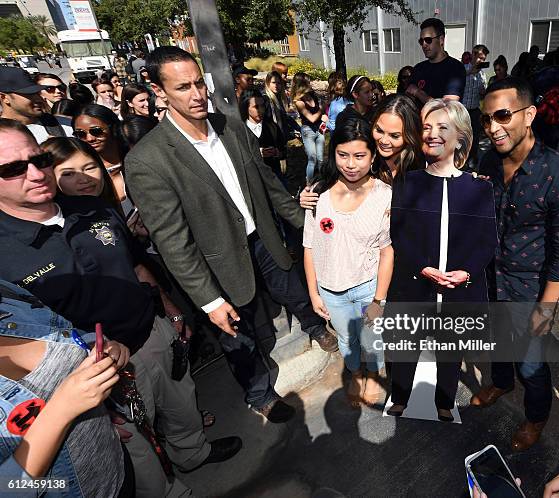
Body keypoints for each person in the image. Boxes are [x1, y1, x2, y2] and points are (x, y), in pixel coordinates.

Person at [0, 119, 242, 497]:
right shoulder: (3, 257)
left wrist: (171, 312)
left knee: (181, 405)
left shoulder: (91, 207)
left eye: (40, 159)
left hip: (155, 333)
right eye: (13, 169)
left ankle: (194, 452)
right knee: (137, 450)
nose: (35, 174)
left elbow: (135, 263)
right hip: (98, 375)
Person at [124, 46, 338, 424]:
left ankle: (317, 328)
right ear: (159, 92)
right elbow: (174, 242)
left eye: (198, 83)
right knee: (238, 337)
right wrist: (208, 301)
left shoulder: (231, 127)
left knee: (296, 292)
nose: (196, 95)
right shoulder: (148, 160)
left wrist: (305, 225)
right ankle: (259, 394)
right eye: (183, 87)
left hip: (265, 242)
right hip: (217, 265)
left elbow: (268, 184)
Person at [472, 77, 559, 451]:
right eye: (486, 118)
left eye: (503, 115)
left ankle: (536, 418)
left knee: (532, 365)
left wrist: (547, 306)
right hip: (491, 279)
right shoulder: (489, 160)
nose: (493, 127)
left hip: (529, 290)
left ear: (530, 114)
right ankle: (500, 383)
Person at [385, 99, 497, 422]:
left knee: (451, 349)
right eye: (427, 128)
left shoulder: (478, 187)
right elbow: (399, 234)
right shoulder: (408, 182)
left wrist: (468, 272)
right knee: (407, 346)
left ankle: (444, 401)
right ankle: (400, 396)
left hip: (458, 291)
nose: (432, 134)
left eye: (442, 128)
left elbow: (488, 240)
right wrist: (422, 266)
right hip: (416, 287)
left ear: (460, 137)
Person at [0, 280, 132, 498]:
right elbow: (8, 488)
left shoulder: (6, 294)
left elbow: (67, 335)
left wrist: (100, 350)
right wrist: (62, 411)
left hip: (115, 464)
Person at [303, 118, 393, 407]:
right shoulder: (318, 195)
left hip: (369, 289)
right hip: (331, 290)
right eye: (343, 155)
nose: (351, 164)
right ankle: (355, 374)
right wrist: (314, 292)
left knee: (372, 339)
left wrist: (379, 298)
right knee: (346, 340)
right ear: (333, 154)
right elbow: (309, 247)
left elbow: (387, 251)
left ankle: (374, 374)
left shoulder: (384, 195)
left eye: (359, 156)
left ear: (373, 155)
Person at [300, 93, 425, 209]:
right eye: (379, 130)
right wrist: (310, 194)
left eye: (395, 136)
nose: (384, 141)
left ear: (410, 135)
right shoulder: (362, 153)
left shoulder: (420, 165)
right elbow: (330, 176)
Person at [72, 104, 131, 212]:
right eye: (80, 134)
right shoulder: (80, 173)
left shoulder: (134, 158)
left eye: (96, 131)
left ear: (113, 128)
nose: (90, 139)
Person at [43, 136, 119, 208]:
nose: (84, 180)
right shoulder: (59, 220)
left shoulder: (114, 209)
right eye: (68, 174)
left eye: (90, 168)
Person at [0, 67, 72, 143]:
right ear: (4, 98)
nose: (39, 99)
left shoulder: (66, 125)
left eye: (37, 93)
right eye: (29, 94)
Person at [404, 18, 466, 104]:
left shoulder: (455, 68)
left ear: (441, 40)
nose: (424, 45)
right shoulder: (419, 68)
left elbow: (448, 107)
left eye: (428, 40)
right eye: (421, 41)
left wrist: (418, 92)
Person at [529, 45, 559, 149]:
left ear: (554, 57)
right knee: (551, 147)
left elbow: (531, 91)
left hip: (542, 115)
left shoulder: (544, 73)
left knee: (536, 145)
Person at [240, 88, 285, 181]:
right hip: (253, 179)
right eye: (256, 107)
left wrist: (277, 152)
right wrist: (258, 153)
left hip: (274, 177)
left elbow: (283, 151)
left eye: (262, 106)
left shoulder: (272, 127)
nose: (261, 110)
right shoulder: (241, 130)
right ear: (246, 108)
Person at [291, 72, 327, 180]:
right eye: (308, 82)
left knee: (320, 159)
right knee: (312, 159)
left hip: (318, 130)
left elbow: (319, 115)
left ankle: (321, 180)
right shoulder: (299, 102)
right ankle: (309, 183)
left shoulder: (313, 96)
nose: (310, 84)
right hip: (308, 131)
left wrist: (324, 117)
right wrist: (322, 109)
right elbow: (311, 118)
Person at [461, 44, 489, 168]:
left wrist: (483, 91)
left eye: (484, 59)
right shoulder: (462, 68)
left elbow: (483, 94)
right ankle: (460, 158)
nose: (482, 61)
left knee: (475, 137)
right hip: (462, 110)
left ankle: (472, 159)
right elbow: (457, 81)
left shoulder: (482, 74)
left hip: (475, 110)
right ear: (473, 54)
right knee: (461, 136)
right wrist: (470, 72)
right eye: (480, 58)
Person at [264, 70, 291, 142]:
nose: (276, 85)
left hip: (282, 138)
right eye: (273, 82)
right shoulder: (265, 99)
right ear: (268, 83)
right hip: (272, 139)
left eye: (278, 83)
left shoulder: (280, 98)